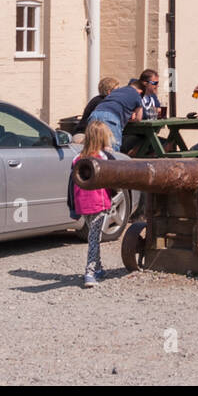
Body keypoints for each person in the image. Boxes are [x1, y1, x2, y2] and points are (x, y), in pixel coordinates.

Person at [73, 120, 114, 288]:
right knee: (94, 237)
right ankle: (90, 272)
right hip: (98, 201)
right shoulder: (103, 157)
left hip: (83, 202)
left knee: (94, 234)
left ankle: (98, 267)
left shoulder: (77, 158)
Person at [89, 78, 145, 152]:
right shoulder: (137, 95)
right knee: (113, 149)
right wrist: (128, 119)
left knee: (93, 148)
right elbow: (138, 118)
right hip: (110, 117)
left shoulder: (117, 91)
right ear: (140, 91)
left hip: (94, 114)